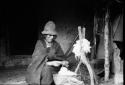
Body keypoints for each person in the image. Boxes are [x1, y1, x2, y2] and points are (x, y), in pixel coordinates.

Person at [25, 21, 68, 85]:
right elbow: (36, 60)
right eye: (49, 35)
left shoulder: (56, 44)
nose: (52, 37)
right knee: (46, 70)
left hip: (53, 67)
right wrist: (51, 63)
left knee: (49, 70)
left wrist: (63, 62)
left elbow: (61, 57)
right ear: (45, 35)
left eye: (53, 35)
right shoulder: (40, 43)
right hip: (38, 67)